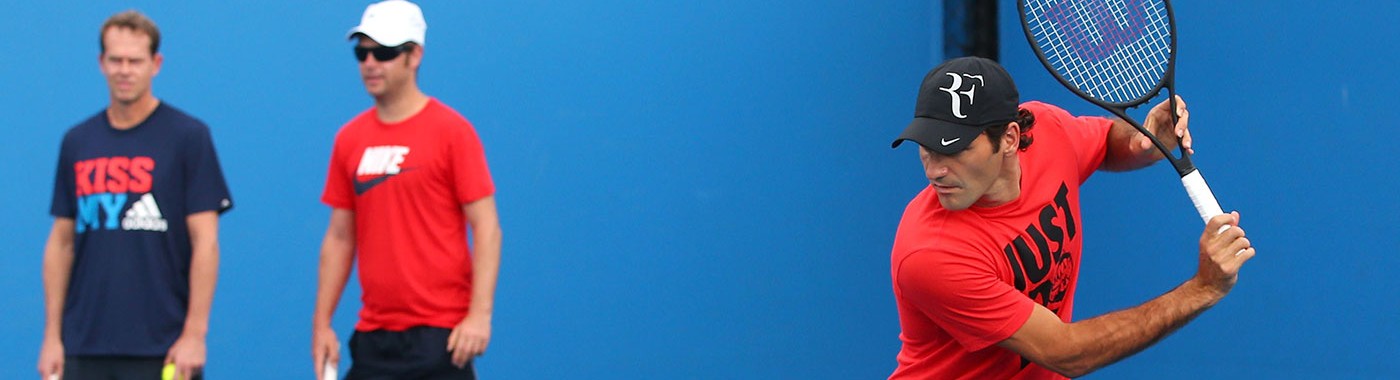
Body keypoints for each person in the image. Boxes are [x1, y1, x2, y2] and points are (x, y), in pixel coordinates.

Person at [887, 57, 1255, 379]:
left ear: (1011, 138)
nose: (934, 170)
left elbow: (1104, 142)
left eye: (956, 150)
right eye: (927, 148)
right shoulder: (931, 254)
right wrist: (1202, 289)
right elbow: (1066, 353)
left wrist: (1141, 142)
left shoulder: (1046, 130)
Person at [311, 1, 503, 379]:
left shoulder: (452, 132)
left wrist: (479, 316)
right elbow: (339, 237)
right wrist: (322, 324)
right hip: (373, 338)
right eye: (362, 53)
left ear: (414, 55)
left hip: (441, 337)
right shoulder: (349, 139)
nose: (370, 63)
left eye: (383, 53)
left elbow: (487, 228)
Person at [37, 10, 232, 380]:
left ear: (156, 64)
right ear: (101, 63)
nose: (124, 71)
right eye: (116, 60)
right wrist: (52, 337)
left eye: (135, 61)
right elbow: (61, 244)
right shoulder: (78, 141)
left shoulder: (188, 137)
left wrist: (195, 334)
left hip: (163, 347)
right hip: (84, 346)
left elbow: (206, 242)